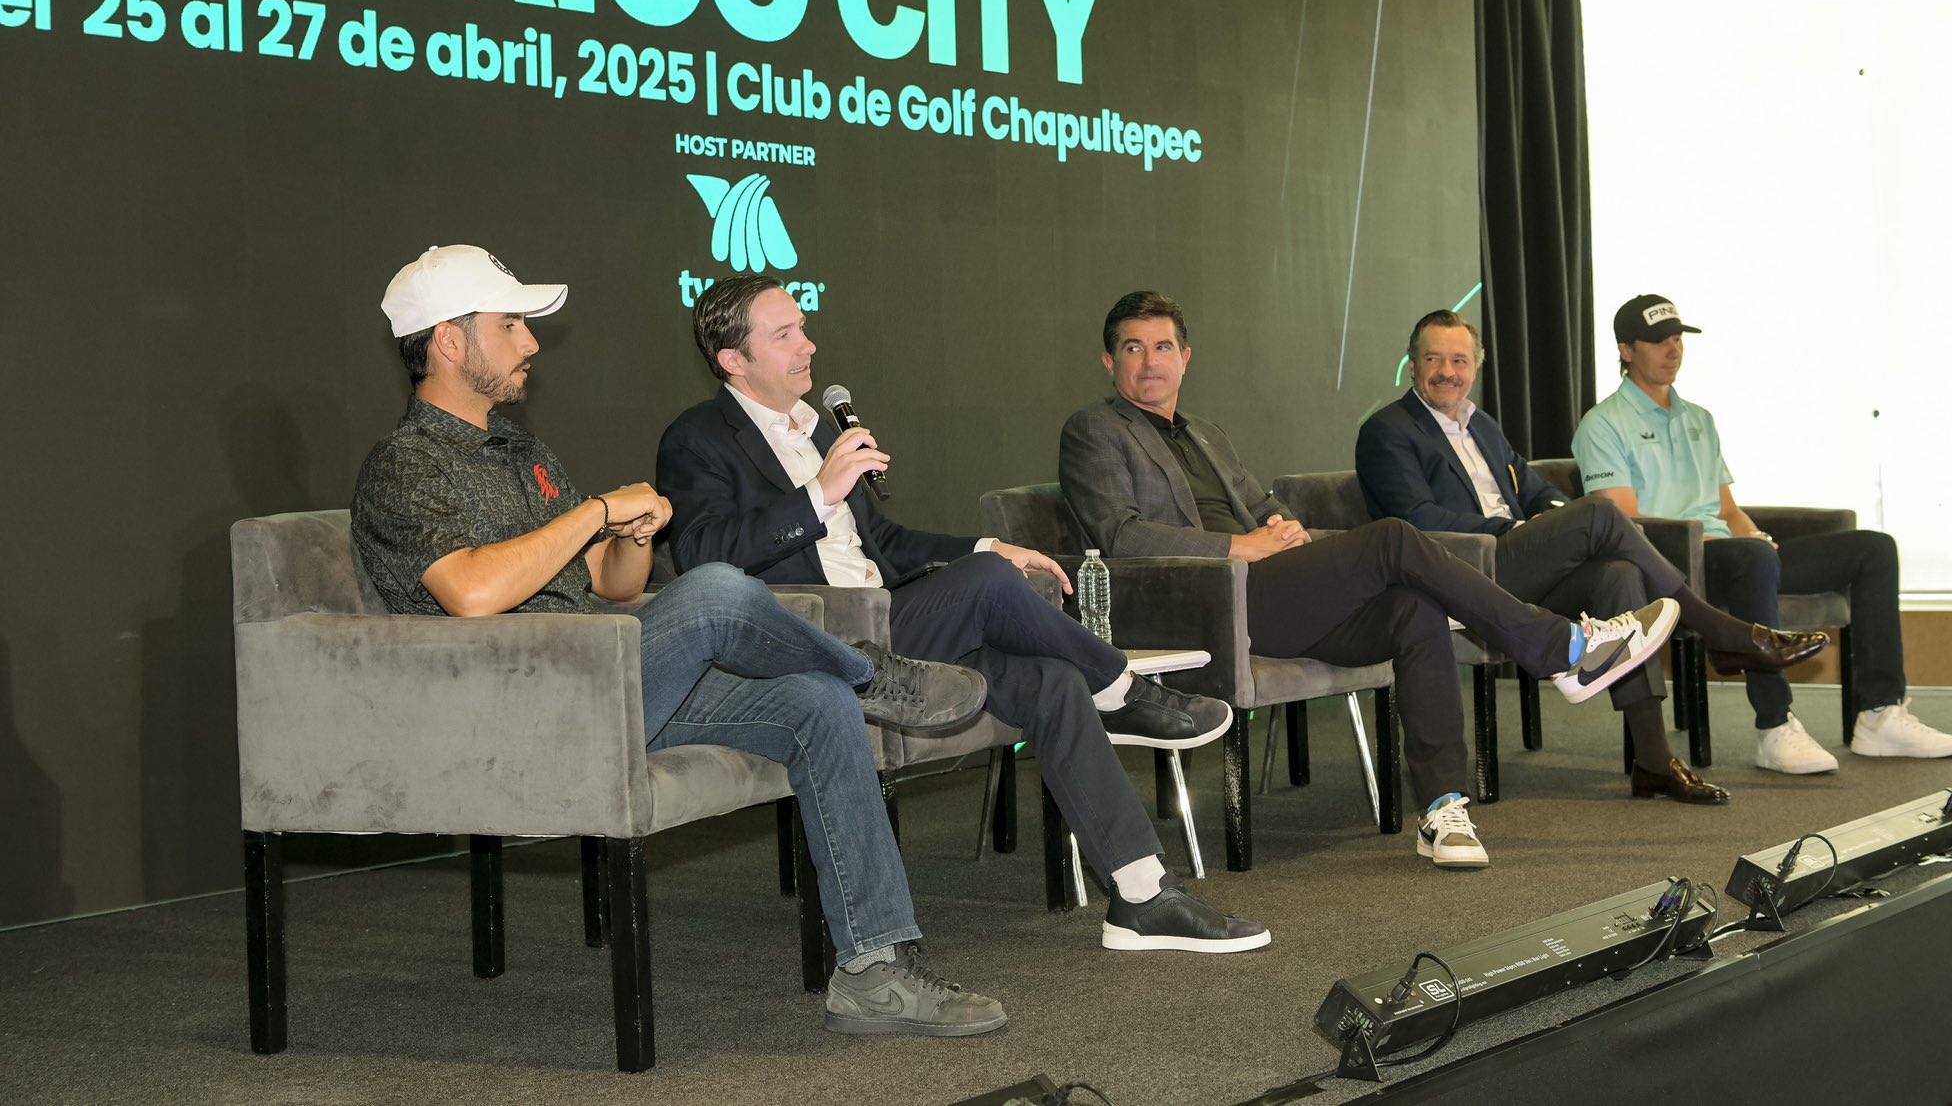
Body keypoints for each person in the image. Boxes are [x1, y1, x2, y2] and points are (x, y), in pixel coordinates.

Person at [350, 244, 1004, 1036]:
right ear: (450, 342)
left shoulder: (524, 452)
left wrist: (632, 535)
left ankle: (873, 972)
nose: (531, 343)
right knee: (719, 587)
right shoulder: (404, 464)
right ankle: (870, 675)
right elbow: (471, 593)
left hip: (607, 678)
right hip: (522, 712)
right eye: (511, 325)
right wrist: (595, 512)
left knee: (816, 702)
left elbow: (613, 586)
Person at [656, 274, 1270, 953]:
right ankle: (1123, 688)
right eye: (785, 335)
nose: (809, 345)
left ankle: (1142, 896)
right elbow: (703, 558)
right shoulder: (698, 438)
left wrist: (986, 546)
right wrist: (816, 496)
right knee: (991, 587)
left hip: (893, 626)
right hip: (820, 642)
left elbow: (886, 545)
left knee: (1050, 680)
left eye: (802, 327)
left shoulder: (816, 429)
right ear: (733, 359)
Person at [1059, 291, 1681, 870]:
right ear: (1109, 361)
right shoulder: (1094, 431)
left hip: (1274, 591)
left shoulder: (1205, 433)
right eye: (1134, 348)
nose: (1150, 362)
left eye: (1163, 346)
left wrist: (1283, 528)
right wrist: (1239, 546)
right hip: (1204, 601)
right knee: (1392, 538)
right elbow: (1121, 534)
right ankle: (1561, 648)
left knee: (1414, 608)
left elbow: (1263, 504)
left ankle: (1442, 808)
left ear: (1185, 358)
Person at [1357, 310, 1830, 804]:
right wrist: (1524, 531)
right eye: (1433, 359)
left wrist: (1555, 521)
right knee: (1601, 515)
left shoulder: (1483, 426)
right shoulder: (1387, 430)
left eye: (1459, 360)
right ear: (1412, 364)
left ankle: (1653, 760)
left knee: (1619, 576)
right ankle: (1722, 632)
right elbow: (1417, 518)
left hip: (1515, 571)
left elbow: (1536, 491)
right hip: (1460, 575)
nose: (1447, 372)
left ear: (1476, 365)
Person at [1573, 294, 1952, 773]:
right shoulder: (1603, 424)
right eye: (1658, 341)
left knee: (1873, 549)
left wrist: (1755, 536)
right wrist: (1728, 546)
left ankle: (1881, 714)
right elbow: (1627, 525)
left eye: (1677, 339)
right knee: (1752, 559)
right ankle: (1774, 726)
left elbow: (1727, 509)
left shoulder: (1699, 419)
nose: (1673, 350)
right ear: (1626, 350)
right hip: (1673, 565)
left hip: (1735, 556)